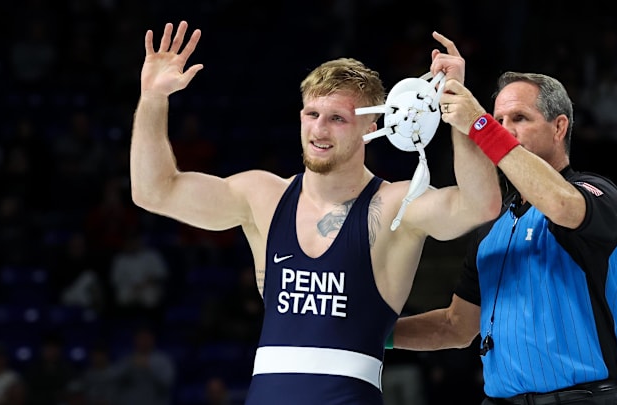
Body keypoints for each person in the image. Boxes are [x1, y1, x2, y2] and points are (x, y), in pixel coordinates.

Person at [129, 20, 501, 405]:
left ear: (372, 127)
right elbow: (154, 191)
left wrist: (459, 108)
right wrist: (153, 97)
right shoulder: (262, 196)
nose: (320, 129)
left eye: (337, 118)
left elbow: (480, 204)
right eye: (312, 114)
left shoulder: (397, 205)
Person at [390, 65, 617, 403]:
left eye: (519, 118)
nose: (503, 129)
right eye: (498, 120)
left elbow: (559, 204)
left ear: (559, 126)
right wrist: (375, 334)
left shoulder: (594, 192)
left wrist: (480, 124)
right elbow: (455, 327)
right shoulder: (492, 226)